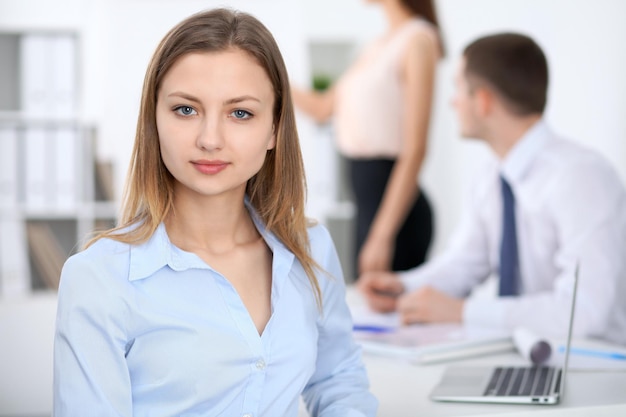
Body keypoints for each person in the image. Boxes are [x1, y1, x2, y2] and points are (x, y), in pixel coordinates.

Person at [53, 8, 378, 416]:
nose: (210, 139)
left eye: (240, 113)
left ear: (274, 128)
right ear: (154, 119)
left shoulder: (311, 249)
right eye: (185, 110)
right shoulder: (99, 277)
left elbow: (339, 381)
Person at [358, 32, 626, 345]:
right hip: (527, 353)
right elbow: (465, 263)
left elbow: (584, 313)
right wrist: (403, 287)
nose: (453, 102)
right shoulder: (491, 177)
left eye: (458, 87)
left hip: (596, 365)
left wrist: (462, 311)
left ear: (483, 100)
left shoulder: (580, 177)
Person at [292, 0, 444, 277]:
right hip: (366, 202)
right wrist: (269, 77)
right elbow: (322, 108)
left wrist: (382, 235)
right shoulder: (377, 46)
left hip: (395, 213)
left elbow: (416, 149)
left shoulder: (418, 40)